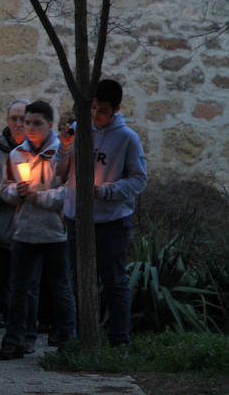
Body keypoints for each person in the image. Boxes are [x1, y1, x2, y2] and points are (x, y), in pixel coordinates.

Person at [54, 79, 147, 346]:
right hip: (75, 218)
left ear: (116, 108)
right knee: (76, 279)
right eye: (92, 107)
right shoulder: (77, 129)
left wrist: (105, 191)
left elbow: (139, 180)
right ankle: (78, 338)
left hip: (111, 221)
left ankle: (119, 340)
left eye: (103, 109)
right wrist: (64, 147)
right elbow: (57, 173)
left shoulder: (127, 138)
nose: (96, 114)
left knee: (114, 281)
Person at [0, 101, 76, 360]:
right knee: (19, 288)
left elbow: (69, 192)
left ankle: (67, 340)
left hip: (54, 231)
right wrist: (14, 193)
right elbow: (4, 187)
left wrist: (40, 198)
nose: (29, 128)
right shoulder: (17, 154)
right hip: (24, 231)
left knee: (60, 287)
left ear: (50, 125)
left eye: (36, 123)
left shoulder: (61, 153)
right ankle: (15, 339)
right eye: (27, 122)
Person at [0, 99, 38, 352]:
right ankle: (11, 328)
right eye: (14, 118)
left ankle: (28, 333)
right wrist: (5, 189)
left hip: (30, 229)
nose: (18, 123)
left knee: (28, 285)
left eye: (23, 119)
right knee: (3, 284)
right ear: (7, 121)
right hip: (1, 228)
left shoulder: (40, 151)